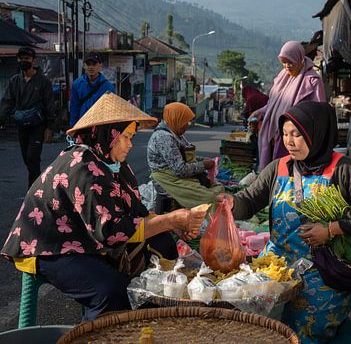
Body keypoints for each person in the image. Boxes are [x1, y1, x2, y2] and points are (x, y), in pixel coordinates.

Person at [1, 92, 207, 321]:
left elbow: (136, 212)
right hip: (49, 246)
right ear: (110, 135)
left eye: (132, 137)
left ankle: (145, 316)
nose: (130, 144)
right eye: (126, 137)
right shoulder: (83, 165)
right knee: (110, 292)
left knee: (163, 242)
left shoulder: (114, 164)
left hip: (84, 238)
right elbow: (111, 232)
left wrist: (173, 226)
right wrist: (170, 220)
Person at [219, 101, 351, 342]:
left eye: (297, 135)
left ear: (316, 134)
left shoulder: (343, 169)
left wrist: (331, 229)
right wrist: (232, 204)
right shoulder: (277, 168)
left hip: (323, 269)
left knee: (304, 330)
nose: (289, 141)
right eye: (286, 134)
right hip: (277, 264)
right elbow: (249, 200)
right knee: (257, 322)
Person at [251, 41, 326, 170]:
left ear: (299, 59)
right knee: (273, 173)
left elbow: (320, 112)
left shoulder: (312, 81)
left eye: (290, 62)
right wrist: (260, 112)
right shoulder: (282, 78)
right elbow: (272, 104)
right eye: (283, 62)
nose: (287, 66)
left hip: (295, 139)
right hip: (273, 136)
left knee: (289, 173)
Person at [147, 102, 225, 210]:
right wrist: (203, 165)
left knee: (218, 188)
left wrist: (203, 160)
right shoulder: (164, 137)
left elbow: (185, 156)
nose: (187, 125)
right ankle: (206, 224)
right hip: (169, 179)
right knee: (210, 197)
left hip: (178, 176)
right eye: (185, 122)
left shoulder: (177, 134)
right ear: (176, 119)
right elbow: (180, 169)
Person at [0, 46, 55, 188]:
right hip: (21, 125)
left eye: (27, 58)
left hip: (38, 125)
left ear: (34, 61)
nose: (24, 61)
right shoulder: (14, 81)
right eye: (21, 58)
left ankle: (34, 189)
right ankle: (37, 185)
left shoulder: (43, 81)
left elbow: (49, 105)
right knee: (26, 157)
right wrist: (1, 118)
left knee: (32, 157)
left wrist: (50, 127)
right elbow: (7, 101)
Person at [69, 52, 114, 127]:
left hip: (100, 126)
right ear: (84, 66)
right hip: (82, 125)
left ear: (100, 65)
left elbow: (110, 111)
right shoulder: (77, 84)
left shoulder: (108, 87)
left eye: (94, 64)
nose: (91, 67)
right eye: (88, 64)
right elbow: (74, 108)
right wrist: (73, 127)